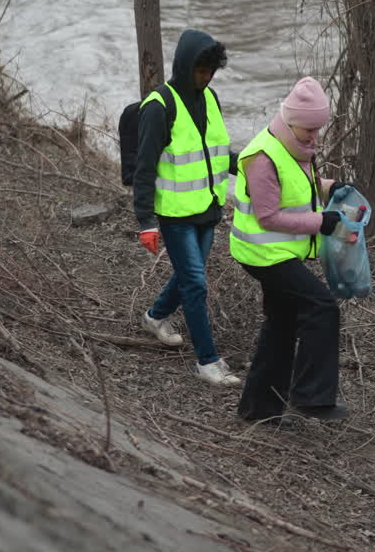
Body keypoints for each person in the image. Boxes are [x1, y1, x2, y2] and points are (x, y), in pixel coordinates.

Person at [230, 76, 352, 422]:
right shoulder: (261, 157)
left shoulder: (293, 148)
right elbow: (268, 217)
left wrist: (331, 188)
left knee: (281, 324)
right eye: (308, 131)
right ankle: (311, 398)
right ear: (290, 121)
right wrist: (322, 222)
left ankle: (258, 411)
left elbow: (300, 188)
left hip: (279, 253)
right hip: (262, 255)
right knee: (322, 306)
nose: (314, 138)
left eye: (318, 130)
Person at [132, 29, 240, 386]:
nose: (206, 78)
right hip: (176, 214)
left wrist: (255, 164)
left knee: (187, 276)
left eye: (211, 72)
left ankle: (154, 317)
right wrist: (146, 221)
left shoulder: (211, 98)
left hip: (208, 209)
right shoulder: (159, 107)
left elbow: (217, 153)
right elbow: (143, 168)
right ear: (184, 66)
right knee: (195, 283)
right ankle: (208, 362)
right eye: (200, 71)